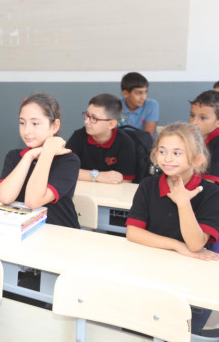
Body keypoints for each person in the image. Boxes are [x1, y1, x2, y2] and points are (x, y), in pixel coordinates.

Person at [125, 122, 219, 335]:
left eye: (177, 153)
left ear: (197, 159)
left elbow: (195, 245)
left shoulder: (211, 193)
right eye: (162, 151)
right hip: (151, 272)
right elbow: (133, 232)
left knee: (179, 333)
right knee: (138, 329)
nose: (167, 158)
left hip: (192, 282)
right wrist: (177, 245)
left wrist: (183, 201)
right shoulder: (148, 186)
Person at [0, 94, 80, 228]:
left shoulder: (68, 161)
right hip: (24, 229)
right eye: (22, 123)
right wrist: (29, 156)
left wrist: (47, 151)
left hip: (59, 231)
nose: (27, 131)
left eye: (35, 123)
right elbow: (5, 197)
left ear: (54, 126)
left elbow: (33, 201)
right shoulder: (14, 156)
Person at [66, 93, 136, 184]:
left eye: (94, 118)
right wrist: (98, 176)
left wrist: (83, 175)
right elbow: (65, 169)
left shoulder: (125, 143)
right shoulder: (79, 136)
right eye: (86, 115)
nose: (86, 121)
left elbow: (126, 181)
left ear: (111, 124)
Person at [189, 90, 219, 184]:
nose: (194, 122)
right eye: (192, 115)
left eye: (203, 118)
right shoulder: (196, 139)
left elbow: (209, 184)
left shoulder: (216, 144)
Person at [119, 72, 159, 138]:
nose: (144, 97)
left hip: (145, 144)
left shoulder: (151, 105)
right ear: (126, 93)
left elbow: (148, 137)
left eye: (145, 92)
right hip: (123, 143)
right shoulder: (115, 105)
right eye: (139, 93)